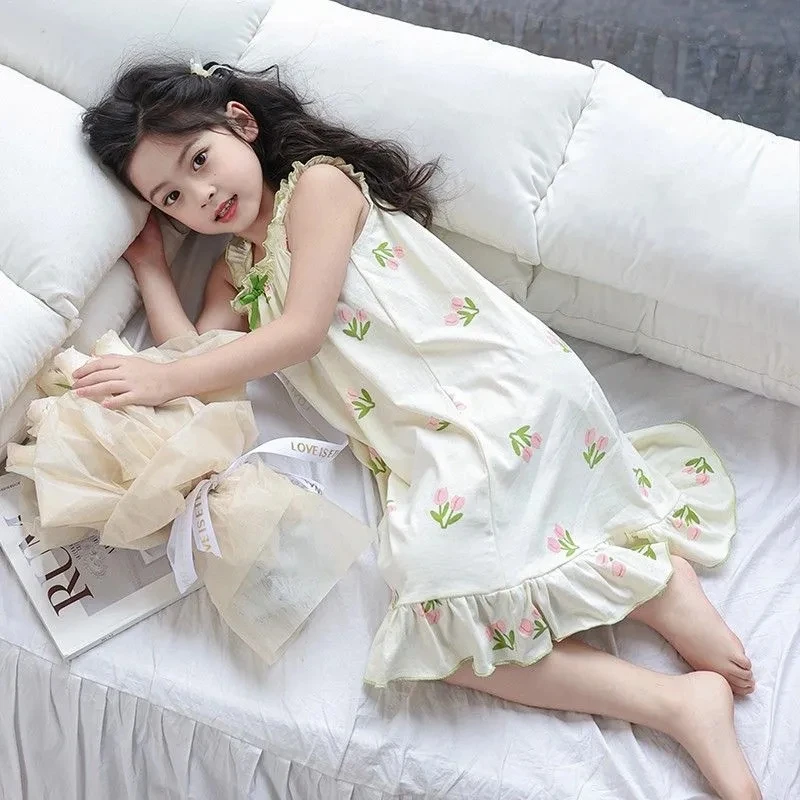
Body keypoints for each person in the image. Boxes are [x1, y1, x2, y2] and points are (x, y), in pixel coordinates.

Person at [75, 59, 760, 799]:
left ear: (242, 123)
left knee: (456, 598)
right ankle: (672, 696)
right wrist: (152, 270)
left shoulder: (319, 186)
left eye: (199, 161)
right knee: (444, 639)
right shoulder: (237, 269)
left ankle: (651, 580)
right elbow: (202, 362)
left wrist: (164, 379)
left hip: (498, 393)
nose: (202, 196)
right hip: (431, 443)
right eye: (172, 197)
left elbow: (301, 331)